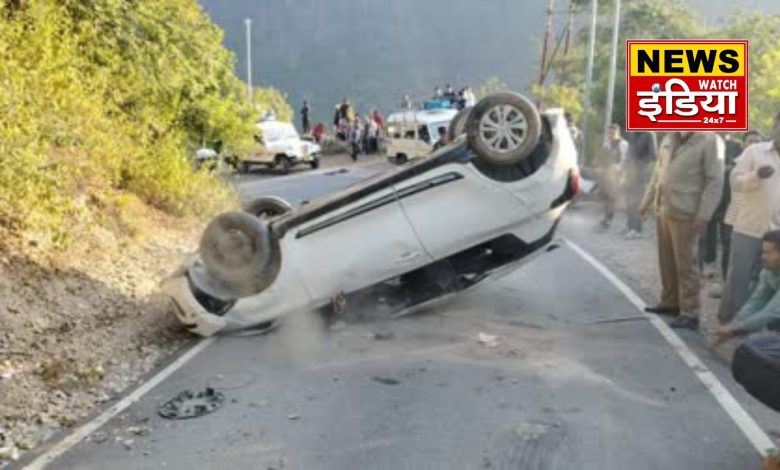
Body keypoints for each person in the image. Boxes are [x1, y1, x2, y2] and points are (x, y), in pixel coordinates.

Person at [640, 131, 725, 330]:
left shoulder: (710, 140)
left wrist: (704, 215)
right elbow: (657, 173)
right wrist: (646, 201)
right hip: (664, 209)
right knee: (666, 261)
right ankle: (670, 303)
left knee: (687, 266)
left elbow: (715, 181)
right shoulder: (669, 138)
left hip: (688, 212)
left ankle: (690, 312)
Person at [719, 115, 780, 324]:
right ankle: (729, 324)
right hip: (748, 228)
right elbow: (734, 182)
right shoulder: (755, 152)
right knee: (738, 280)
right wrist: (756, 176)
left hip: (776, 234)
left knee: (768, 283)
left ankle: (756, 329)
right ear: (774, 126)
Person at [714, 230, 780, 344]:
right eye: (763, 252)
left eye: (768, 253)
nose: (763, 257)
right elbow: (756, 301)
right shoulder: (768, 271)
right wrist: (734, 325)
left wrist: (739, 327)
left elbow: (772, 311)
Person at [622, 131, 657, 239]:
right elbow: (629, 152)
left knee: (638, 201)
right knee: (629, 200)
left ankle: (637, 230)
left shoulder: (649, 134)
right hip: (630, 172)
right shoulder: (632, 133)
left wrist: (639, 164)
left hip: (640, 173)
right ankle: (630, 226)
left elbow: (653, 155)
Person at [597, 124, 629, 231]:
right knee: (606, 196)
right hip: (606, 174)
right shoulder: (606, 144)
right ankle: (606, 218)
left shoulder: (623, 144)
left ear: (617, 133)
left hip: (616, 174)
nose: (610, 135)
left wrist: (621, 173)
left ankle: (609, 220)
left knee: (612, 197)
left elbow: (625, 160)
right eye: (608, 133)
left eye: (612, 133)